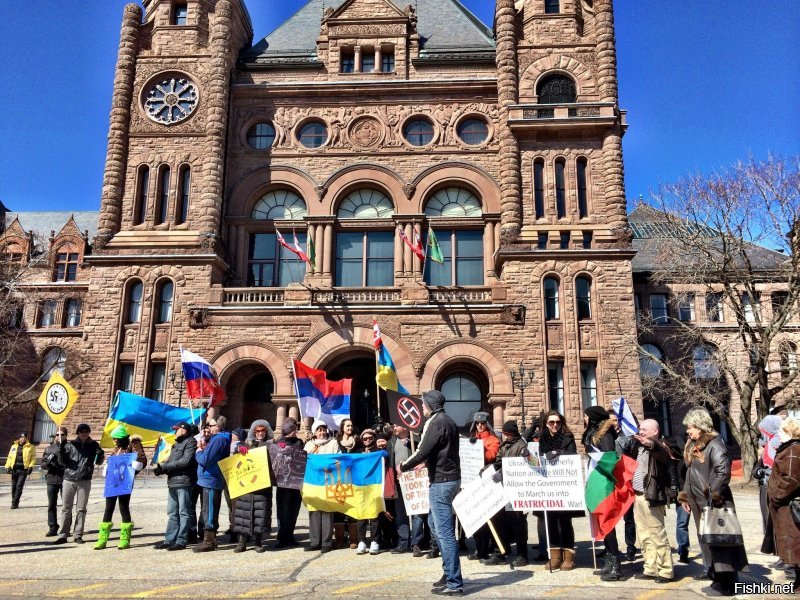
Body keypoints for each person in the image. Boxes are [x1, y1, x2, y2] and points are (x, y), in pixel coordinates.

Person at [678, 408, 749, 597]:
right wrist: (685, 496)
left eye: (690, 427)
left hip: (713, 504)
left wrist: (713, 495)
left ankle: (728, 583)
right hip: (699, 503)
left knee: (721, 543)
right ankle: (717, 578)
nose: (688, 431)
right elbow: (690, 473)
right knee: (709, 543)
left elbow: (722, 472)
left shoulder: (715, 444)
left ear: (700, 427)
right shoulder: (695, 444)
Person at [400, 390, 463, 596]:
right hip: (451, 479)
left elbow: (422, 450)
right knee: (435, 525)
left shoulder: (436, 422)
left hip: (442, 482)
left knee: (444, 534)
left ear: (431, 404)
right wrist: (425, 465)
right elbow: (441, 450)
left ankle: (454, 582)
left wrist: (405, 465)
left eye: (424, 404)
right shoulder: (449, 421)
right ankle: (448, 573)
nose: (422, 407)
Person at [618, 419, 675, 583]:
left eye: (644, 429)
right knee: (644, 535)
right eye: (640, 429)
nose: (640, 432)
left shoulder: (661, 446)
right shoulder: (638, 446)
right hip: (638, 496)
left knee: (657, 534)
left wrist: (651, 444)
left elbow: (664, 457)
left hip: (652, 497)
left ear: (655, 431)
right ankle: (650, 568)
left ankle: (666, 571)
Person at [582, 406, 623, 581]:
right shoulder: (594, 433)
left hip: (605, 483)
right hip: (597, 480)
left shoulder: (604, 435)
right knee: (602, 524)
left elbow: (609, 458)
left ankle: (616, 567)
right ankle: (609, 562)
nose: (583, 419)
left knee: (608, 524)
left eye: (586, 416)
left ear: (592, 417)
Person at [94, 425, 147, 550]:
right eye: (114, 439)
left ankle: (125, 538)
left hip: (125, 481)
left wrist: (137, 465)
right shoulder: (117, 447)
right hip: (113, 481)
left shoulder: (134, 443)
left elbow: (142, 459)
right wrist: (107, 467)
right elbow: (112, 459)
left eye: (117, 438)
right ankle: (102, 538)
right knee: (108, 508)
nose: (115, 441)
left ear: (123, 437)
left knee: (123, 507)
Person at [537, 410, 579, 571]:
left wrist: (559, 452)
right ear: (546, 424)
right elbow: (537, 460)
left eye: (558, 422)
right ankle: (555, 556)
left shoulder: (568, 437)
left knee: (565, 521)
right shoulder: (542, 438)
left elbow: (573, 455)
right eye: (551, 422)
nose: (555, 425)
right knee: (551, 521)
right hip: (548, 486)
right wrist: (528, 455)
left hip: (565, 486)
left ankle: (568, 556)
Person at [484, 420, 530, 567]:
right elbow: (498, 461)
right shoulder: (505, 445)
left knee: (518, 523)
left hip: (517, 490)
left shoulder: (521, 446)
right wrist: (488, 468)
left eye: (507, 434)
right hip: (502, 490)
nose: (506, 437)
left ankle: (522, 554)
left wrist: (504, 474)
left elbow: (521, 466)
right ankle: (500, 552)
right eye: (505, 434)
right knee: (499, 520)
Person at [54, 423, 104, 545]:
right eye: (82, 431)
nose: (84, 433)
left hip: (84, 480)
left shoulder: (94, 445)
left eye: (86, 431)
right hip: (69, 479)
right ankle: (63, 534)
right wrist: (61, 451)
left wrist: (100, 454)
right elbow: (62, 462)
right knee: (66, 508)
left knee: (81, 509)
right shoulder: (70, 445)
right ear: (78, 432)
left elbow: (98, 462)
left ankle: (78, 534)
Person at [153, 421, 197, 551]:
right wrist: (161, 469)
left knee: (184, 512)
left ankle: (181, 540)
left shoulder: (190, 442)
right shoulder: (176, 444)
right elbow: (172, 462)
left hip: (184, 481)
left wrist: (165, 467)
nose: (174, 431)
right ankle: (169, 539)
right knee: (172, 512)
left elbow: (185, 461)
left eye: (176, 429)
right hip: (172, 481)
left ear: (184, 430)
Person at [232, 419, 274, 553]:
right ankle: (242, 541)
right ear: (253, 432)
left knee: (260, 514)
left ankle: (258, 541)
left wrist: (281, 448)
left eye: (263, 431)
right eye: (258, 431)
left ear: (266, 432)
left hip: (263, 486)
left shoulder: (271, 446)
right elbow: (236, 462)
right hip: (247, 485)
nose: (260, 433)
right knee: (244, 513)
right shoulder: (245, 445)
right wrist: (239, 452)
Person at [767, 417, 800, 586]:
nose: (778, 435)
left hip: (788, 506)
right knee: (793, 545)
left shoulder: (793, 449)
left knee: (795, 545)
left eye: (781, 431)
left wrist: (776, 496)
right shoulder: (789, 448)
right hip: (785, 506)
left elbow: (791, 480)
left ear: (789, 432)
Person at [193, 416, 231, 552]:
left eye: (211, 424)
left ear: (218, 426)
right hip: (209, 479)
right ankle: (209, 539)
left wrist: (198, 451)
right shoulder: (216, 439)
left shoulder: (219, 439)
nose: (208, 426)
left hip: (211, 480)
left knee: (209, 510)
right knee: (207, 509)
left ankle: (209, 541)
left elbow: (205, 460)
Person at [303, 419, 341, 553]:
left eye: (324, 429)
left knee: (327, 511)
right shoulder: (309, 445)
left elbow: (338, 459)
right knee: (314, 511)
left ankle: (326, 542)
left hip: (328, 481)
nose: (322, 432)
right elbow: (303, 462)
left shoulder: (333, 443)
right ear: (315, 432)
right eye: (319, 430)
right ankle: (314, 541)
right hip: (313, 483)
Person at [467, 412, 500, 562]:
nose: (480, 425)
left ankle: (488, 549)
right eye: (477, 423)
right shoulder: (471, 439)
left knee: (489, 518)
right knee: (475, 517)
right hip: (472, 481)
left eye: (483, 423)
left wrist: (478, 447)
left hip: (486, 481)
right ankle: (478, 548)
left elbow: (491, 456)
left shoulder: (493, 439)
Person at [753, 415, 782, 560]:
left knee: (774, 520)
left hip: (772, 485)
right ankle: (778, 552)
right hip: (766, 484)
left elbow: (775, 467)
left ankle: (783, 556)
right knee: (769, 519)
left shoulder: (775, 442)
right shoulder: (769, 442)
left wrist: (763, 471)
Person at [274, 419, 304, 548]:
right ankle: (282, 536)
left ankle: (290, 535)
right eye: (293, 430)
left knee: (294, 509)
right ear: (288, 431)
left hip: (296, 482)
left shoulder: (299, 442)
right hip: (283, 483)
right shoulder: (278, 443)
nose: (295, 432)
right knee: (283, 510)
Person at [389, 423, 414, 554]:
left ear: (404, 427)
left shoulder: (415, 441)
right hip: (398, 483)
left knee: (417, 514)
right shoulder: (392, 442)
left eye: (396, 426)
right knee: (400, 514)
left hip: (414, 482)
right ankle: (404, 543)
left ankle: (417, 543)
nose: (394, 429)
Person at [666, 433, 690, 563]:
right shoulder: (675, 450)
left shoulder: (693, 452)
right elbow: (671, 470)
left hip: (691, 490)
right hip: (681, 490)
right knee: (682, 522)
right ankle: (683, 549)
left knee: (685, 522)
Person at [41, 427, 67, 535]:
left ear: (66, 436)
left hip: (65, 479)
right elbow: (42, 465)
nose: (59, 437)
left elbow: (70, 464)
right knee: (51, 504)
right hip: (51, 479)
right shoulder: (48, 449)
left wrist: (60, 464)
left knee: (66, 506)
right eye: (57, 435)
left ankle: (66, 527)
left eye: (62, 434)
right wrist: (48, 463)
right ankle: (53, 527)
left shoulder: (69, 447)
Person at [5, 432, 36, 509]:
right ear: (19, 438)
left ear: (26, 438)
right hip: (14, 469)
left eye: (24, 437)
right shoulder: (14, 446)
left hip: (23, 470)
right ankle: (14, 501)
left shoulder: (31, 447)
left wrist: (30, 467)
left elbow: (33, 458)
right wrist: (7, 467)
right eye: (21, 437)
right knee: (14, 487)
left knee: (19, 486)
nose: (22, 438)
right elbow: (10, 457)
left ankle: (15, 503)